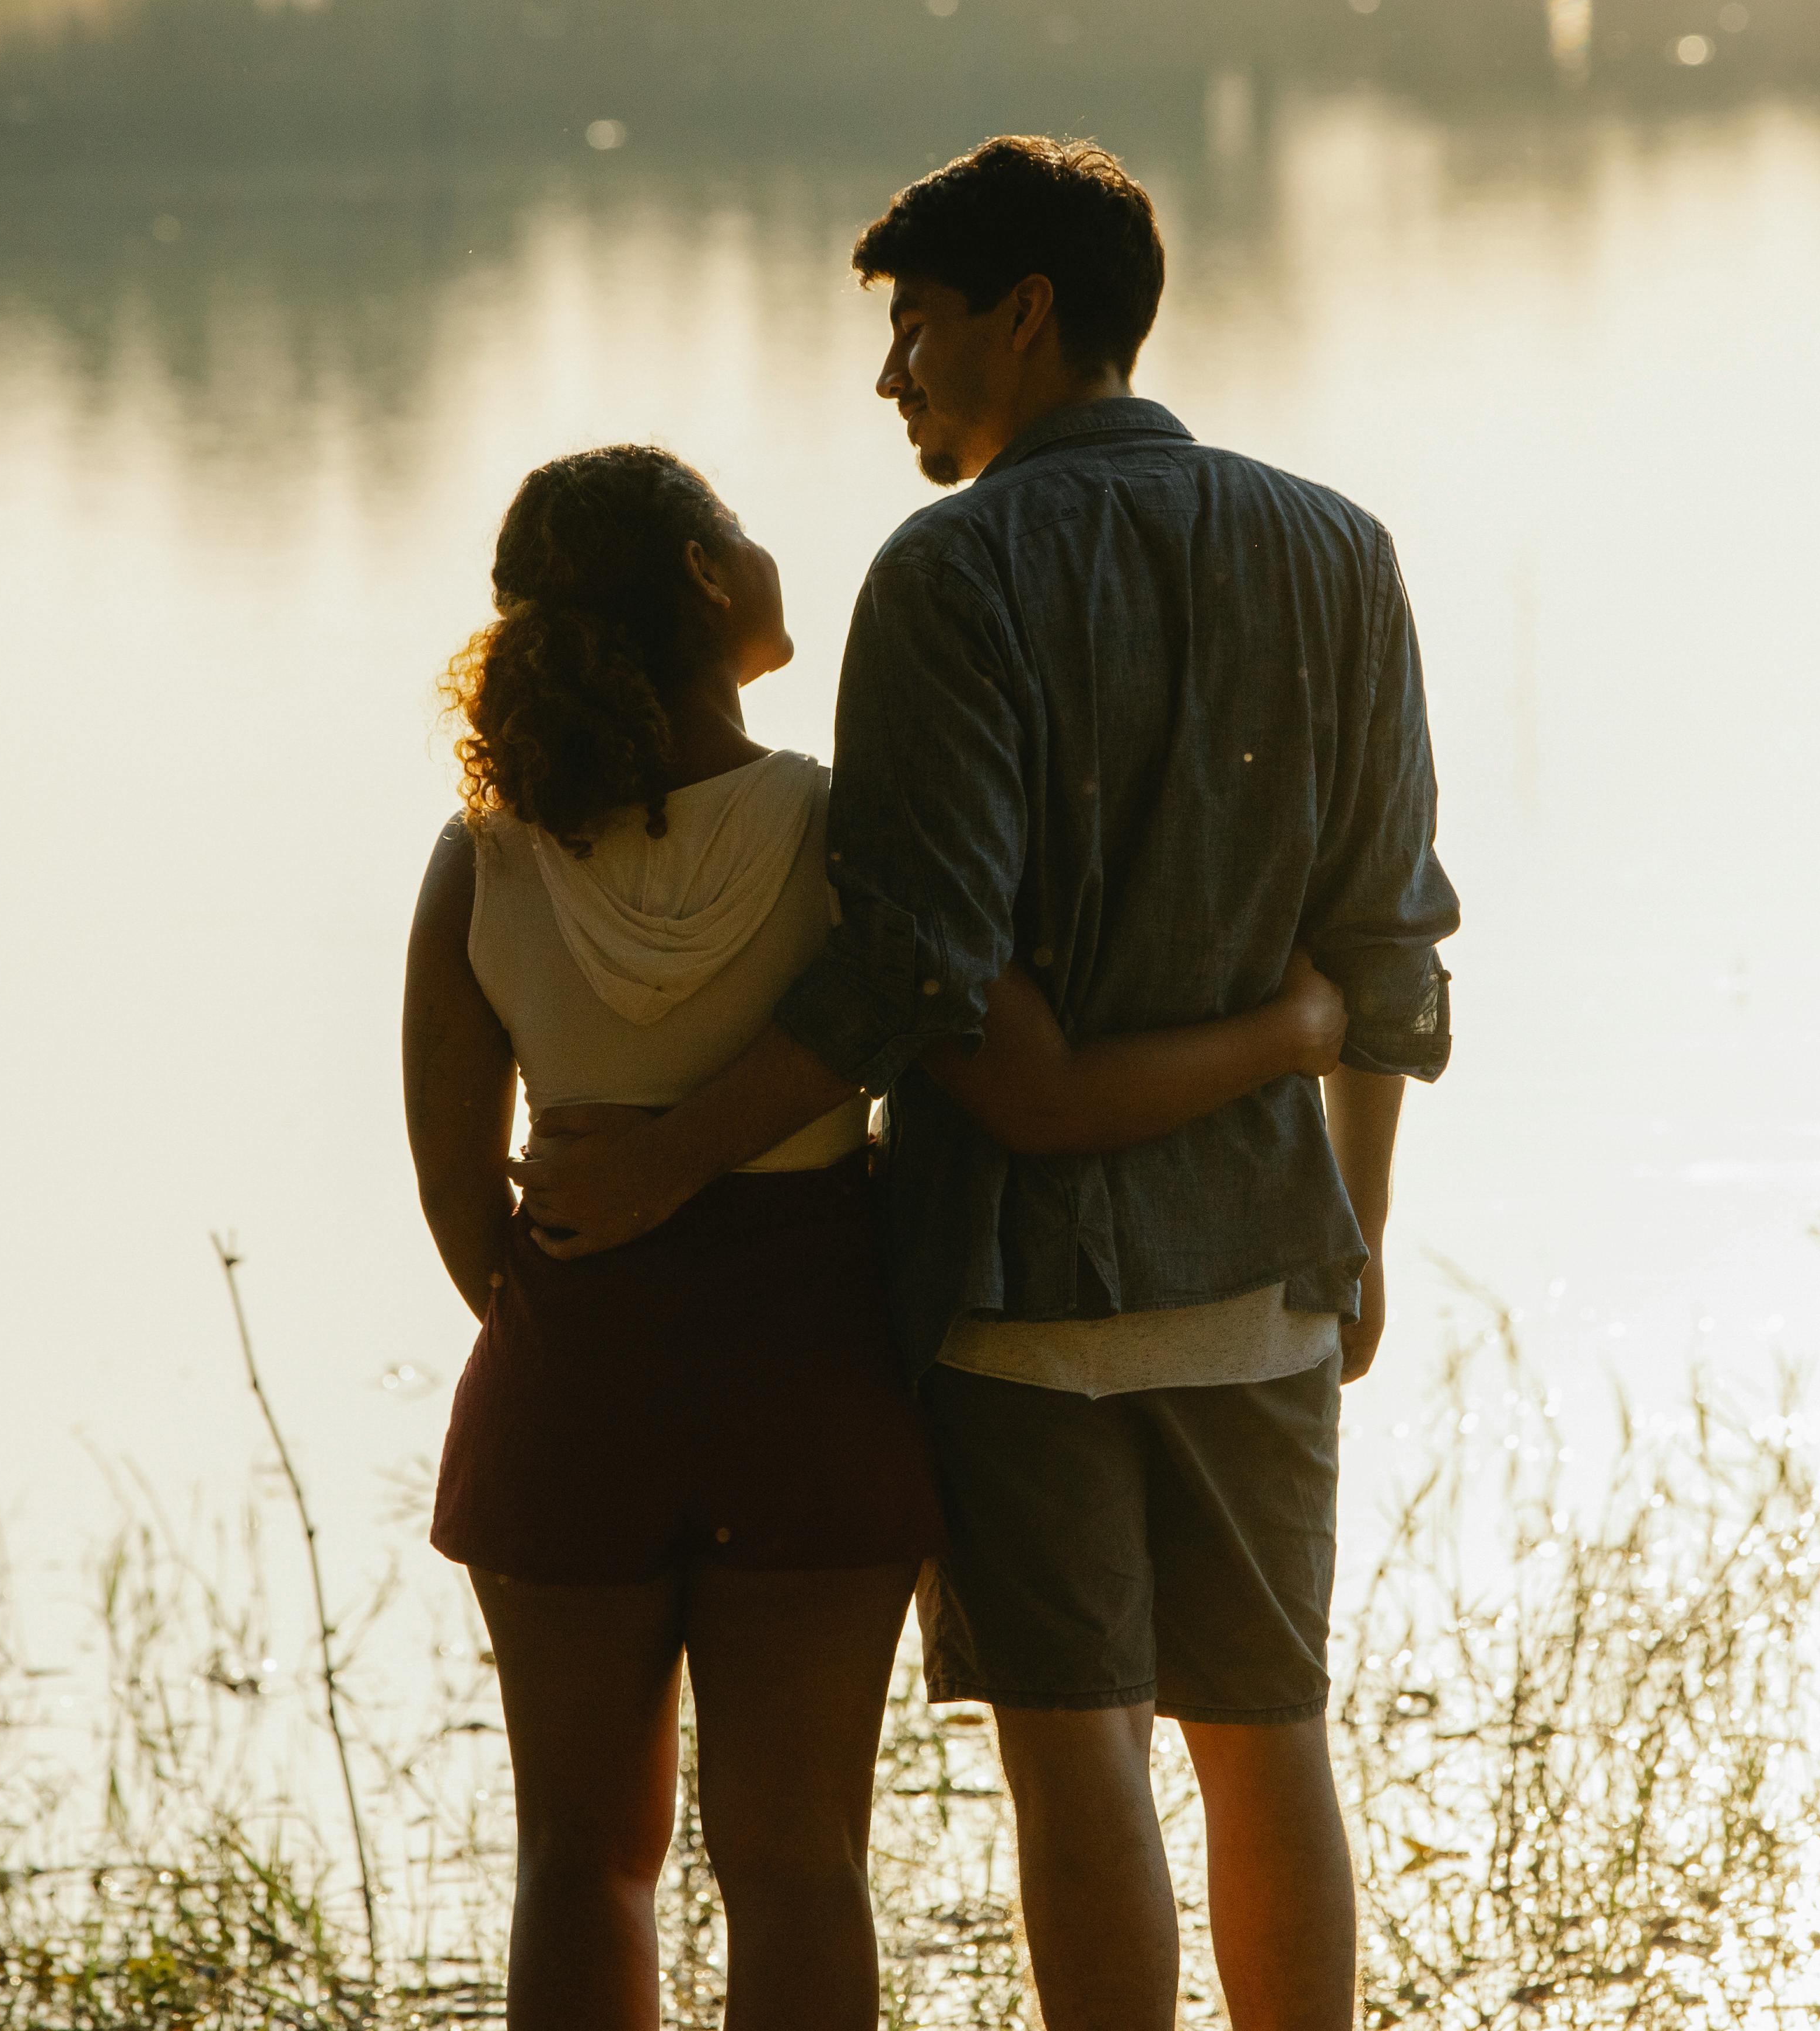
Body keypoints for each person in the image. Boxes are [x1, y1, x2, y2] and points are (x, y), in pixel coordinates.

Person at [514, 138, 1458, 2031]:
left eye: (919, 329)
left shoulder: (950, 575)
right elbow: (1388, 958)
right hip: (1269, 1264)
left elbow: (919, 977)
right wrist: (1356, 1228)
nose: (895, 380)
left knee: (1079, 1752)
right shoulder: (1342, 547)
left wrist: (670, 1161)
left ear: (1028, 316)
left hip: (1015, 1298)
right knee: (1274, 1743)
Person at [401, 440, 1359, 2031]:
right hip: (810, 1384)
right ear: (711, 579)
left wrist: (569, 1311)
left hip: (570, 1372)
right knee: (795, 1865)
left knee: (579, 1863)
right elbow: (932, 1026)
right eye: (745, 533)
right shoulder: (839, 833)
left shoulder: (482, 856)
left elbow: (453, 1189)